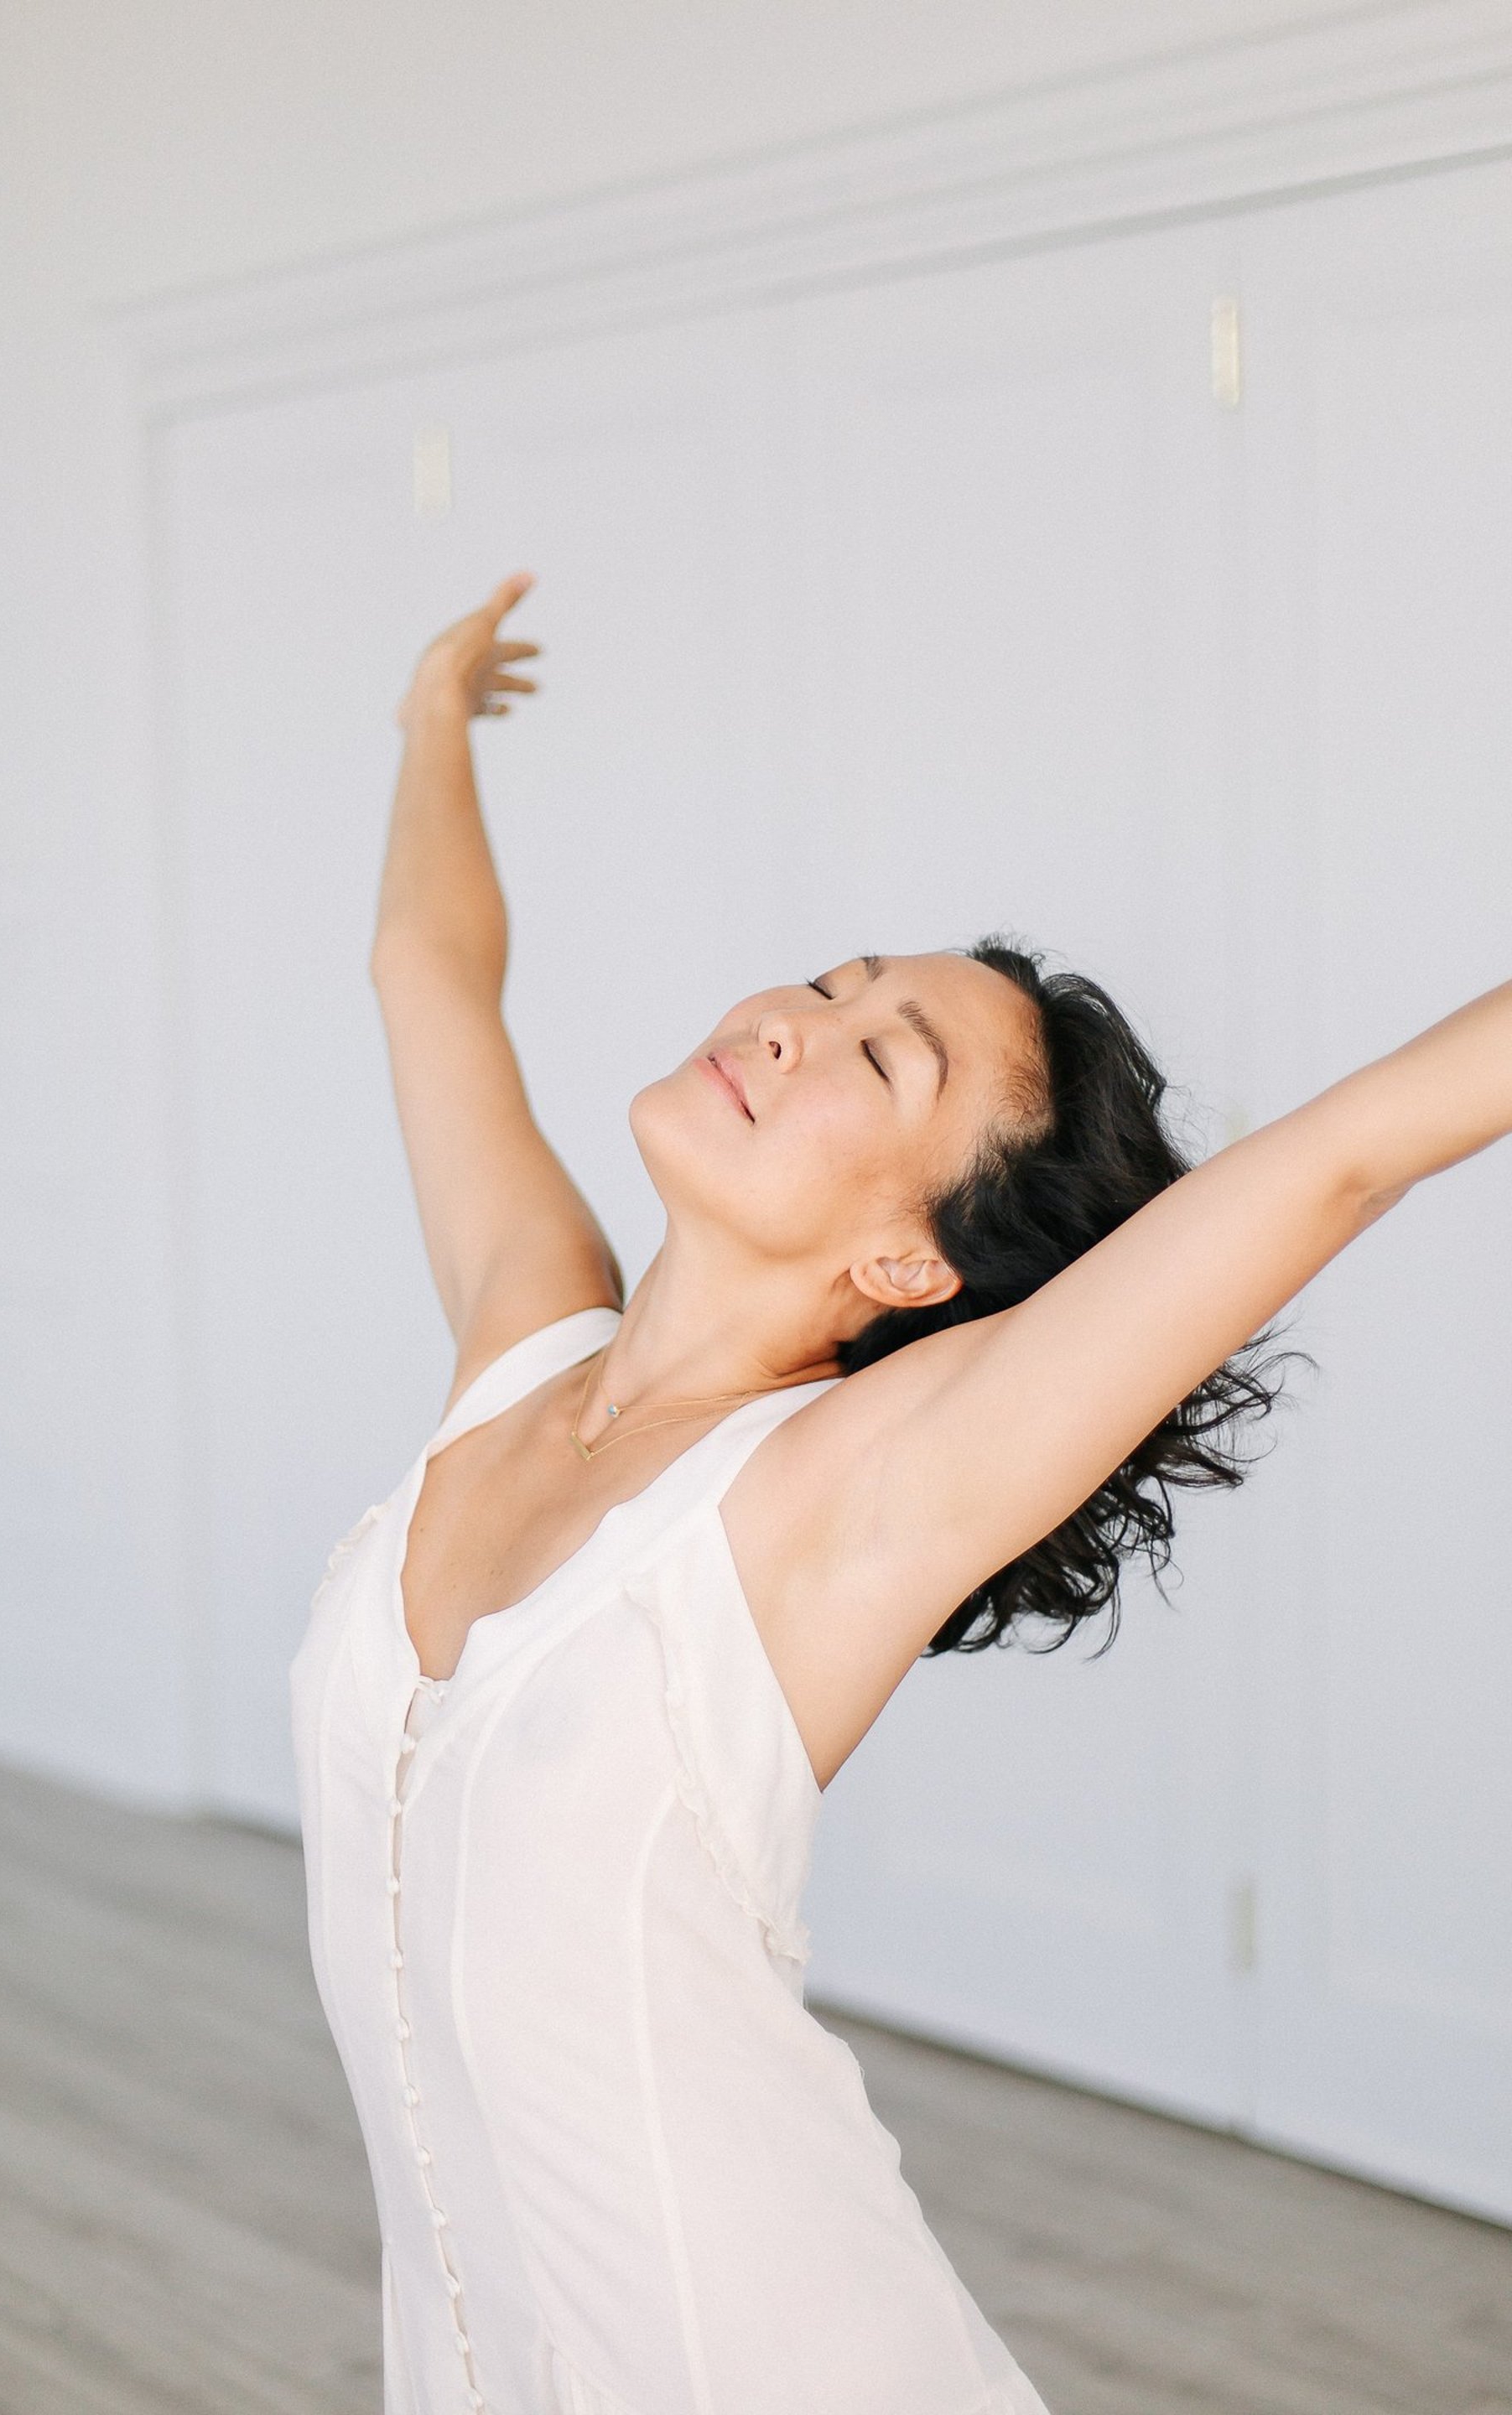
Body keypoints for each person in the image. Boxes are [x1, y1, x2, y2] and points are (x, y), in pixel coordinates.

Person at [290, 570, 1511, 2415]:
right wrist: (431, 718)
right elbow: (425, 971)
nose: (794, 1013)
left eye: (884, 1055)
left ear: (913, 1271)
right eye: (839, 982)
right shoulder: (527, 1344)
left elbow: (1345, 1161)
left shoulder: (849, 1491)